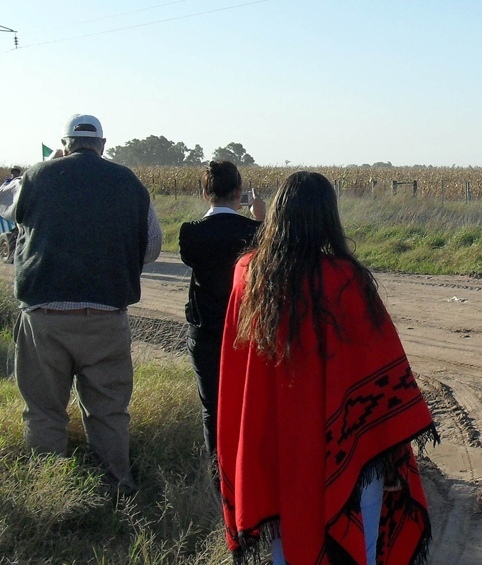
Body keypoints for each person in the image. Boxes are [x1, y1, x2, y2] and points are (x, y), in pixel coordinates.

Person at [217, 171, 438, 565]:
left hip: (273, 451)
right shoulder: (345, 278)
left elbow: (235, 379)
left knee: (284, 553)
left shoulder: (248, 274)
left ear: (278, 215)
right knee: (359, 551)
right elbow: (379, 371)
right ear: (327, 218)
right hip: (345, 451)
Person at [0, 114, 162, 495]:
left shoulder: (39, 176)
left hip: (45, 315)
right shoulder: (129, 182)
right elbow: (153, 245)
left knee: (44, 411)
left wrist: (49, 165)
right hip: (106, 315)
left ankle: (49, 491)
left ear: (66, 143)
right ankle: (118, 489)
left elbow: (6, 204)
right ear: (103, 145)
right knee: (108, 412)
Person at [178, 160, 265, 480]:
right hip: (247, 331)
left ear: (205, 193)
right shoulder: (256, 232)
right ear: (239, 192)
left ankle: (219, 477)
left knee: (212, 409)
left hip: (205, 331)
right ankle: (250, 474)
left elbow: (191, 260)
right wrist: (261, 220)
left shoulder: (191, 233)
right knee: (248, 407)